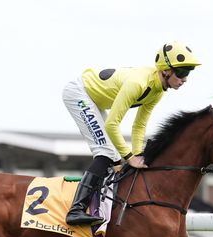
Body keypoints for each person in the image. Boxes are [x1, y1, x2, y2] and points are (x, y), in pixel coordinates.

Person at [62, 41, 201, 225]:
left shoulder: (158, 90)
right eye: (181, 72)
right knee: (106, 152)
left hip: (94, 100)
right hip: (79, 94)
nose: (184, 79)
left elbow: (139, 126)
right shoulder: (138, 83)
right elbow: (112, 123)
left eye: (187, 73)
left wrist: (138, 154)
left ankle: (98, 205)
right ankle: (76, 210)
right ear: (165, 70)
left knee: (113, 155)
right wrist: (129, 156)